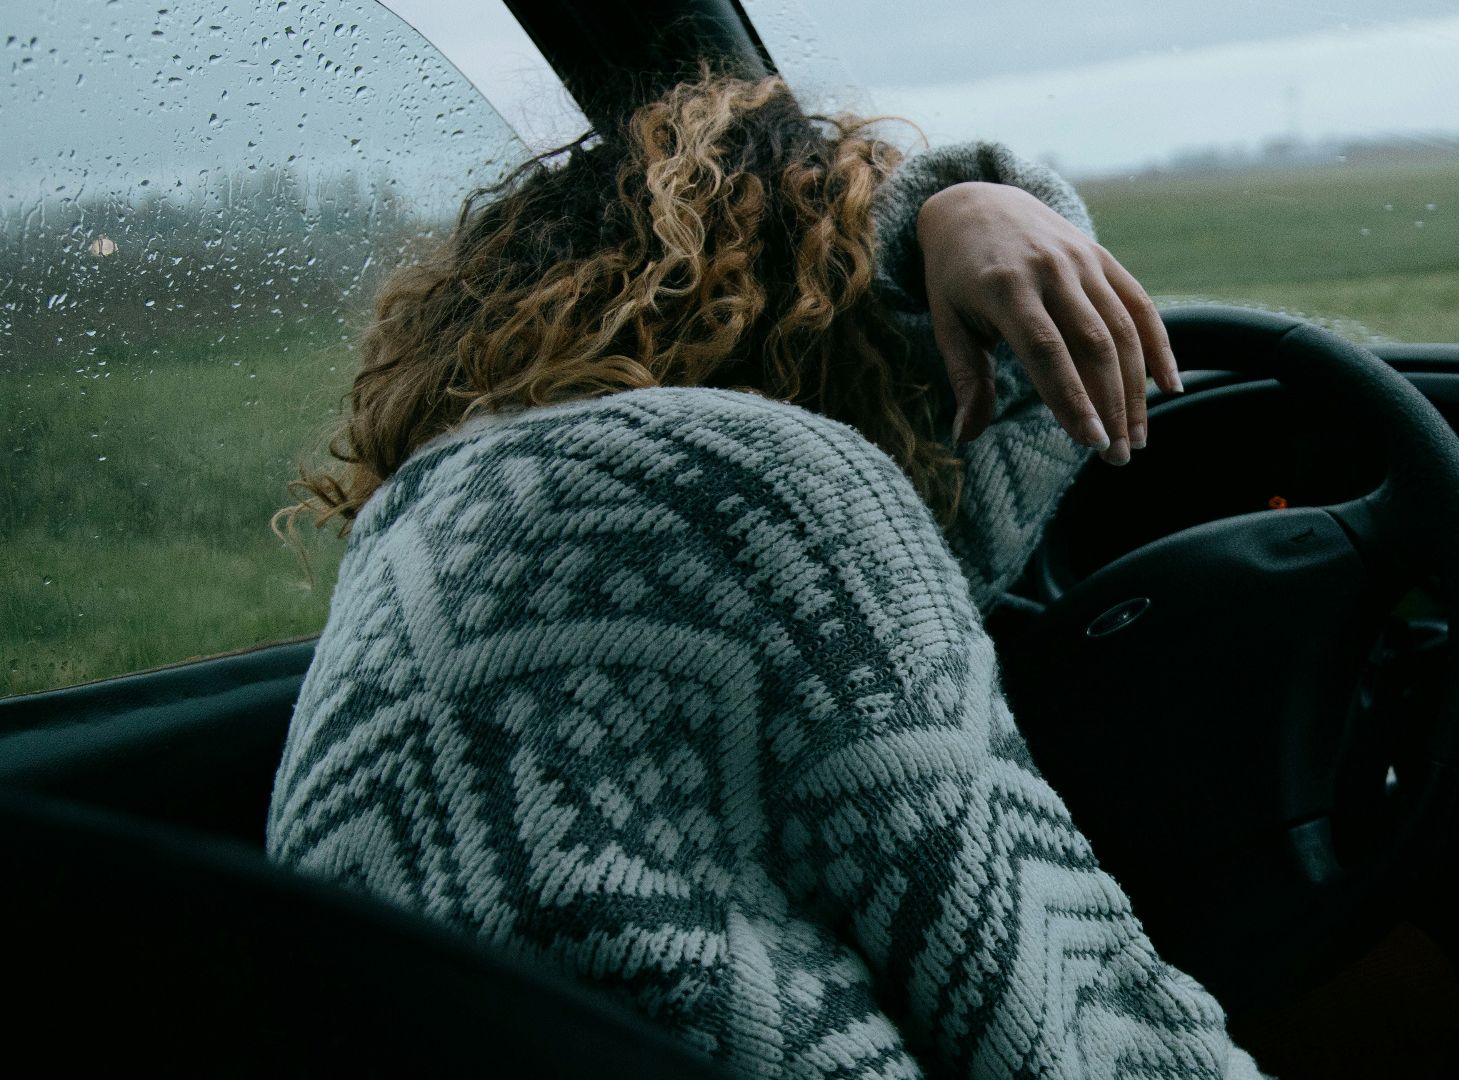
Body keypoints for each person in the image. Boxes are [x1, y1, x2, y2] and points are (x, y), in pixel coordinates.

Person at [267, 72, 1264, 1079]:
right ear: (850, 325)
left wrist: (964, 198)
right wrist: (974, 208)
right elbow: (1050, 1011)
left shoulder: (418, 531)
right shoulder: (775, 494)